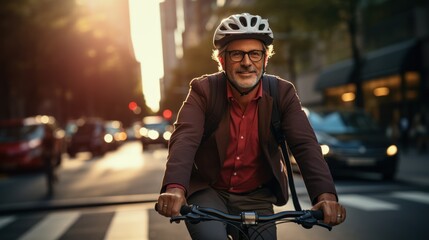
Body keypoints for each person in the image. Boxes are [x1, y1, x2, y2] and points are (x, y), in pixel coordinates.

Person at [156, 13, 346, 239]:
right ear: (221, 60)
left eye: (255, 54)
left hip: (257, 196)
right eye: (237, 54)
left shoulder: (282, 93)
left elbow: (305, 145)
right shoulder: (203, 90)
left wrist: (325, 196)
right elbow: (185, 139)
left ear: (265, 60)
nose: (247, 62)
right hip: (209, 190)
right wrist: (175, 189)